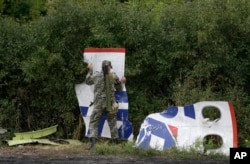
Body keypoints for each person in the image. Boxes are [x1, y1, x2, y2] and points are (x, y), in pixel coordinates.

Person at [85, 60, 126, 149]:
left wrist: (90, 70)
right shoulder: (112, 76)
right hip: (110, 102)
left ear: (101, 67)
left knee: (93, 122)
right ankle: (115, 143)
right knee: (112, 122)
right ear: (109, 67)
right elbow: (119, 89)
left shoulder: (96, 76)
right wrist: (123, 82)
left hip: (99, 103)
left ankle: (93, 144)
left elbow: (87, 81)